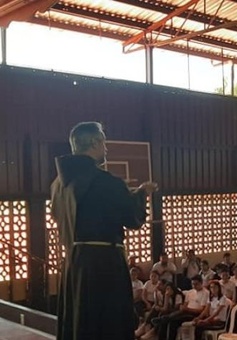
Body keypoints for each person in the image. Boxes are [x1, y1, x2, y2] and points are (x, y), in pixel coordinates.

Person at [51, 121, 157, 340]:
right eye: (104, 142)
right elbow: (132, 218)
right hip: (103, 266)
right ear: (95, 142)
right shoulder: (105, 182)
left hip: (74, 264)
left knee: (80, 324)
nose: (106, 148)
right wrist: (141, 195)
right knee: (107, 324)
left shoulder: (58, 185)